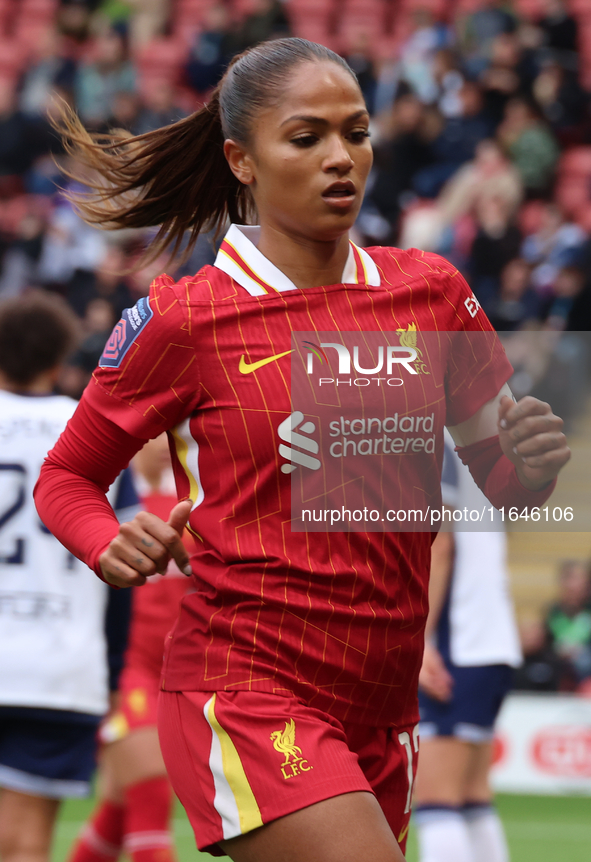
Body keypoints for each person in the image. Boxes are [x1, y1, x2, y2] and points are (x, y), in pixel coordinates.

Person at [35, 38, 570, 862]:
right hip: (245, 686)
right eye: (306, 137)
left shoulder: (430, 291)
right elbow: (67, 477)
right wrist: (109, 542)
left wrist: (527, 467)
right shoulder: (184, 320)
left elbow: (505, 485)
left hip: (381, 706)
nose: (340, 158)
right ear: (240, 161)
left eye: (355, 132)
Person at [0, 291, 135, 862]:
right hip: (61, 665)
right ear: (61, 362)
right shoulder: (91, 436)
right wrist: (110, 673)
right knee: (28, 841)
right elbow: (123, 566)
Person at [68, 435, 190, 862]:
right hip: (127, 674)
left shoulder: (189, 507)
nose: (160, 442)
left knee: (119, 809)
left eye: (169, 431)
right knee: (152, 791)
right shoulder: (108, 508)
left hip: (181, 676)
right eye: (150, 434)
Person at [413, 431, 522, 862]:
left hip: (456, 641)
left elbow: (439, 540)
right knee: (471, 796)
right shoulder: (472, 437)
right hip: (491, 640)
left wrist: (421, 638)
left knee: (435, 799)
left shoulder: (430, 431)